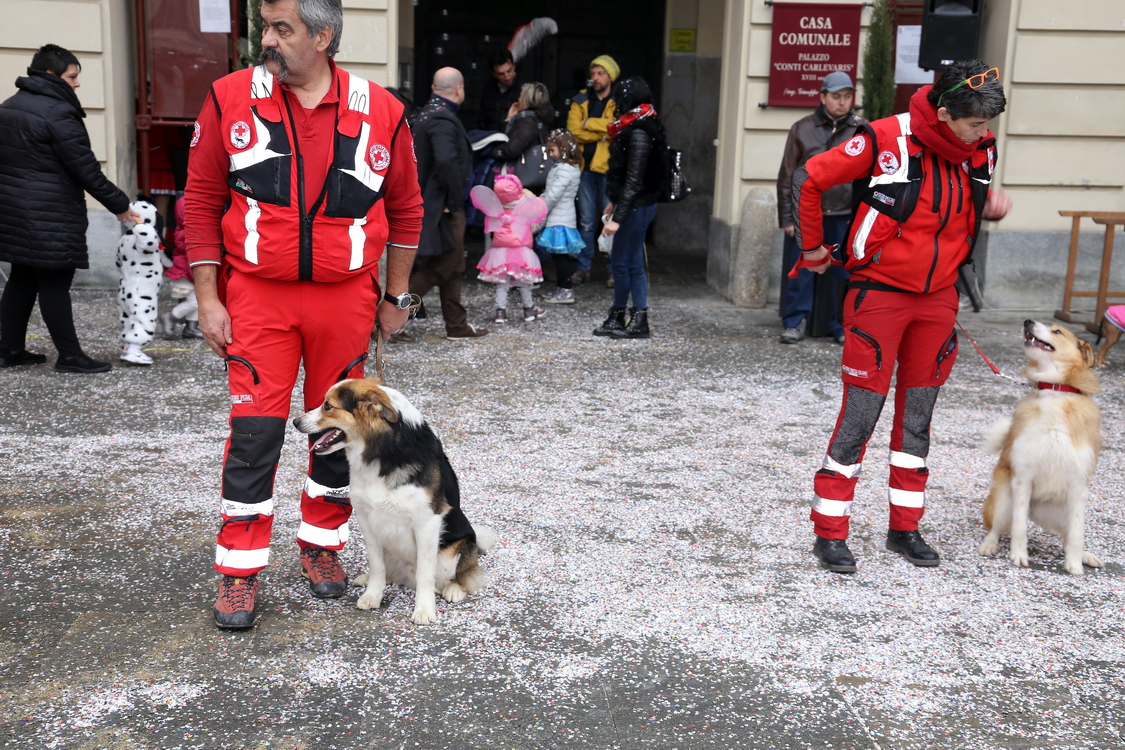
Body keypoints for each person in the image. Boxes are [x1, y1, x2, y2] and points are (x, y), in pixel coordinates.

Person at [184, 0, 424, 628]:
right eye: (266, 27)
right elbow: (202, 201)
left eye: (280, 30)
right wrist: (208, 299)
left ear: (322, 38)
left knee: (337, 433)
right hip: (257, 295)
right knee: (255, 434)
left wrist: (395, 297)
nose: (267, 40)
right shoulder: (230, 98)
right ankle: (238, 571)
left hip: (346, 298)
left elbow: (406, 210)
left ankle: (322, 547)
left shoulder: (383, 111)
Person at [794, 60, 1011, 574]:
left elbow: (956, 214)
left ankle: (905, 528)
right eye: (976, 124)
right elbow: (809, 179)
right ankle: (830, 532)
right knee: (860, 417)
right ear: (943, 114)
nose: (985, 134)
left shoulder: (980, 150)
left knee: (918, 419)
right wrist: (813, 250)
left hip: (938, 300)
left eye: (987, 125)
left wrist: (989, 206)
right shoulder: (884, 138)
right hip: (880, 296)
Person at [0, 44, 141, 373]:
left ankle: (8, 350)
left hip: (15, 212)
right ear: (51, 75)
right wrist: (120, 205)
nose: (77, 84)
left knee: (21, 278)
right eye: (72, 76)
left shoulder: (9, 106)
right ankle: (70, 356)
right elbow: (85, 168)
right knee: (54, 281)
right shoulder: (58, 112)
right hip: (49, 215)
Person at [401, 67, 489, 343]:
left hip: (434, 203)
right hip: (443, 207)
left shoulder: (428, 113)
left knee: (452, 263)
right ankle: (389, 318)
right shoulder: (442, 118)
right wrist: (453, 201)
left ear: (433, 86)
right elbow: (446, 160)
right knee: (442, 268)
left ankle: (456, 325)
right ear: (460, 89)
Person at [776, 71, 865, 345]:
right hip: (808, 214)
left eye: (847, 96)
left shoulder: (861, 129)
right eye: (836, 96)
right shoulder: (801, 128)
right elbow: (788, 176)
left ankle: (840, 325)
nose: (842, 102)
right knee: (803, 269)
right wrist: (788, 218)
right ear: (823, 97)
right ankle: (794, 322)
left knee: (843, 273)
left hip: (845, 214)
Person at [593, 76, 664, 340]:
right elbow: (627, 178)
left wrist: (617, 218)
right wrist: (614, 200)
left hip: (637, 206)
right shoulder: (639, 125)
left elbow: (634, 181)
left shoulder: (638, 132)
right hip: (634, 204)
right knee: (626, 262)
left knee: (626, 263)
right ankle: (622, 315)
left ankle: (634, 317)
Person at [567, 55, 618, 286]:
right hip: (585, 168)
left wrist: (590, 123)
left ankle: (614, 270)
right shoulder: (580, 99)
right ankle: (582, 267)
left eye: (600, 73)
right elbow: (573, 131)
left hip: (608, 168)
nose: (595, 78)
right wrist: (602, 131)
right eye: (593, 73)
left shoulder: (618, 101)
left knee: (611, 220)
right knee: (586, 221)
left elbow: (617, 128)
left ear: (610, 76)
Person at [471, 175, 547, 323]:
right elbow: (540, 210)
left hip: (500, 251)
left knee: (502, 284)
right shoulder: (525, 204)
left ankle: (500, 312)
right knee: (525, 282)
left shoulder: (494, 207)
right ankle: (529, 310)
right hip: (521, 250)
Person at [536, 129, 584, 305]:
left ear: (563, 148)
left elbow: (554, 194)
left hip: (560, 218)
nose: (550, 154)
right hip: (560, 216)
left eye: (552, 150)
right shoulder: (566, 167)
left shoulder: (565, 168)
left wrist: (540, 207)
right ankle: (562, 288)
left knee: (560, 256)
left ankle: (565, 290)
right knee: (558, 256)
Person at [160, 196, 201, 340]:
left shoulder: (182, 230)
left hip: (189, 271)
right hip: (186, 272)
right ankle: (170, 317)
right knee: (195, 302)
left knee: (197, 300)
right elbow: (192, 255)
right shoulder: (188, 233)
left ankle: (191, 328)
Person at [488, 82, 554, 164]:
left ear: (527, 99)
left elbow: (511, 149)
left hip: (522, 170)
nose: (518, 99)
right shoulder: (538, 117)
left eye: (520, 96)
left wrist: (488, 151)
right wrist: (509, 119)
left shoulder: (528, 122)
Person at [478, 48, 521, 132]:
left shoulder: (525, 88)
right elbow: (481, 120)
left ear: (514, 66)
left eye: (509, 71)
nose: (507, 77)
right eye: (501, 74)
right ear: (493, 73)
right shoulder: (488, 89)